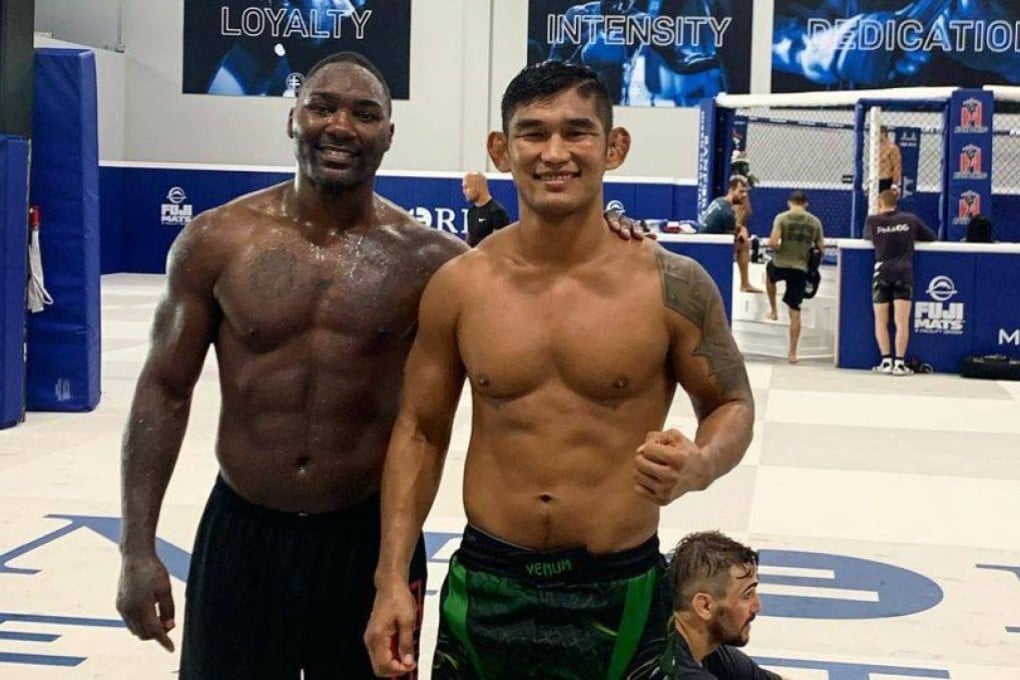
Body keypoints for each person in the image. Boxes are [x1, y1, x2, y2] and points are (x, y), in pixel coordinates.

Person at [365, 60, 754, 679]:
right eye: (533, 133)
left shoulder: (671, 285)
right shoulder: (461, 286)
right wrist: (391, 579)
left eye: (577, 132)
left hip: (618, 588)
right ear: (501, 149)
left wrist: (701, 464)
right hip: (490, 583)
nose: (554, 153)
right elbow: (420, 430)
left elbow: (731, 403)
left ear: (614, 146)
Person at [115, 52, 469, 680]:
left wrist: (607, 230)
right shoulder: (216, 242)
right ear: (292, 118)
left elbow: (531, 300)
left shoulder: (431, 262)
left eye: (364, 114)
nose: (341, 126)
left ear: (389, 134)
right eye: (322, 107)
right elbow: (164, 390)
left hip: (370, 541)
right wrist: (136, 548)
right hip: (244, 530)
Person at [659, 531, 784, 679]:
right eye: (746, 595)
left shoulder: (708, 652)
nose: (757, 607)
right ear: (705, 606)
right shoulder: (674, 671)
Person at [863, 189, 936, 376]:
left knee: (881, 321)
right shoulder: (910, 219)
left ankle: (886, 361)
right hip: (903, 274)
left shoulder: (872, 221)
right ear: (896, 203)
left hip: (881, 274)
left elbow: (867, 237)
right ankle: (900, 364)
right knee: (901, 322)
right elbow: (930, 236)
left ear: (879, 204)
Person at [765, 190, 825, 364]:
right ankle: (792, 353)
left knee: (769, 275)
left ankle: (773, 310)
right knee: (795, 310)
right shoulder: (815, 222)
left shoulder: (782, 218)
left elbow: (772, 242)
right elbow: (821, 248)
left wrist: (781, 249)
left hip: (781, 263)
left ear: (789, 203)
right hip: (800, 267)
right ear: (805, 204)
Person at [700, 176, 762, 293]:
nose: (744, 195)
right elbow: (731, 240)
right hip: (710, 248)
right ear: (731, 190)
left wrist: (742, 228)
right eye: (741, 191)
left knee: (743, 236)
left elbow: (738, 225)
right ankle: (745, 284)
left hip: (705, 239)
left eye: (746, 192)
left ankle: (745, 284)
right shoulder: (727, 214)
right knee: (745, 244)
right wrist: (741, 226)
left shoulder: (719, 201)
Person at [462, 171, 510, 247]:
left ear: (479, 187)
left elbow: (498, 245)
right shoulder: (471, 212)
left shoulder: (497, 212)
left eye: (466, 187)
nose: (464, 191)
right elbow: (468, 242)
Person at [877, 126, 902, 194]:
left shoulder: (892, 148)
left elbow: (897, 166)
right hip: (876, 179)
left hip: (886, 179)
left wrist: (895, 183)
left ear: (883, 133)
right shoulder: (876, 146)